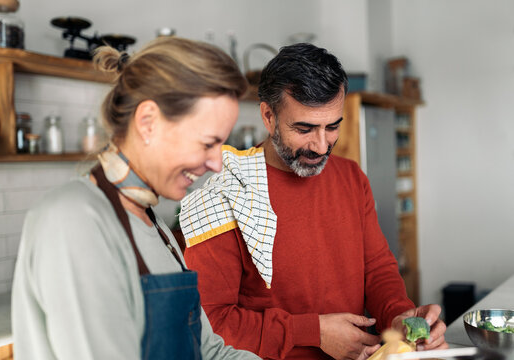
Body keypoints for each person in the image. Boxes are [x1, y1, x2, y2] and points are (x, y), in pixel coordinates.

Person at [179, 43, 447, 360]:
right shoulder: (225, 194)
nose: (321, 146)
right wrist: (313, 333)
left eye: (332, 126)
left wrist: (400, 316)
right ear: (268, 116)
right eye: (304, 128)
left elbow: (376, 270)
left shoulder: (351, 178)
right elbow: (209, 322)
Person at [11, 37, 262, 360]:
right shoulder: (74, 220)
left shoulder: (155, 227)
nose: (217, 162)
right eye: (207, 143)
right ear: (148, 123)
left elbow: (209, 352)